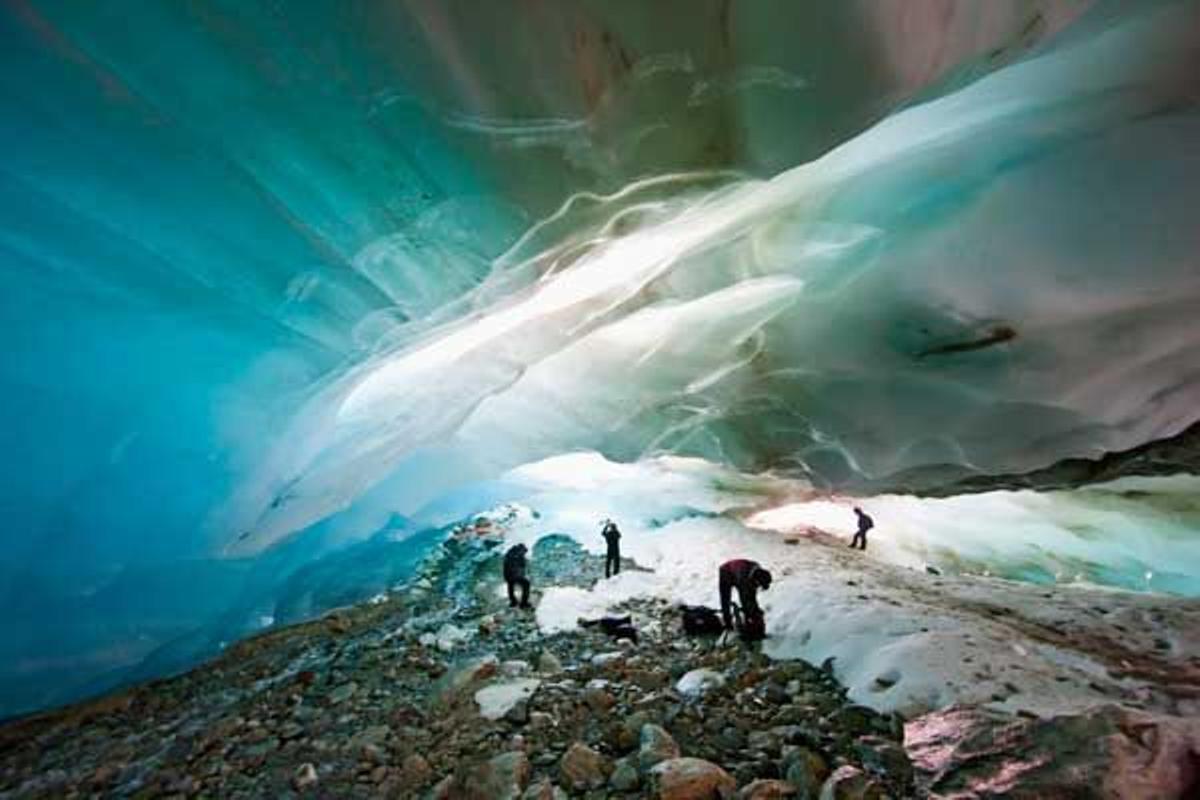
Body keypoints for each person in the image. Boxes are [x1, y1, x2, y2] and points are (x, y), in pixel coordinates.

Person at [718, 559, 772, 632]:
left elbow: (752, 596)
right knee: (725, 599)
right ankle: (728, 623)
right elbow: (744, 597)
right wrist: (750, 614)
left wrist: (755, 612)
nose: (758, 587)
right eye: (759, 585)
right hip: (726, 571)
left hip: (740, 573)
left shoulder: (758, 572)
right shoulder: (743, 577)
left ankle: (749, 623)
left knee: (750, 599)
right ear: (756, 580)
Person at [504, 543, 531, 608]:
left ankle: (513, 602)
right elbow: (519, 567)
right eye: (524, 552)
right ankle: (524, 603)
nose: (524, 554)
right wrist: (521, 575)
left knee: (510, 586)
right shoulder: (518, 555)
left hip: (508, 575)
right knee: (526, 584)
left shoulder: (509, 554)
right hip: (514, 575)